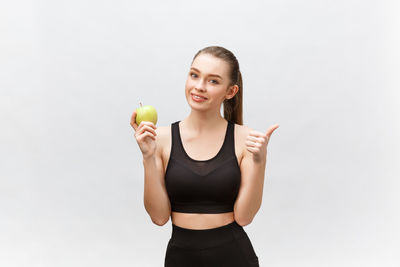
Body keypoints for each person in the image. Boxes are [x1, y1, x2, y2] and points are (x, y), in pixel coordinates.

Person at [130, 45, 279, 267]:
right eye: (194, 75)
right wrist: (148, 157)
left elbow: (244, 217)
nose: (199, 87)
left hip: (233, 258)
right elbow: (159, 217)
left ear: (230, 92)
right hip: (180, 259)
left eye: (213, 81)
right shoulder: (159, 138)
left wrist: (260, 161)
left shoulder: (246, 140)